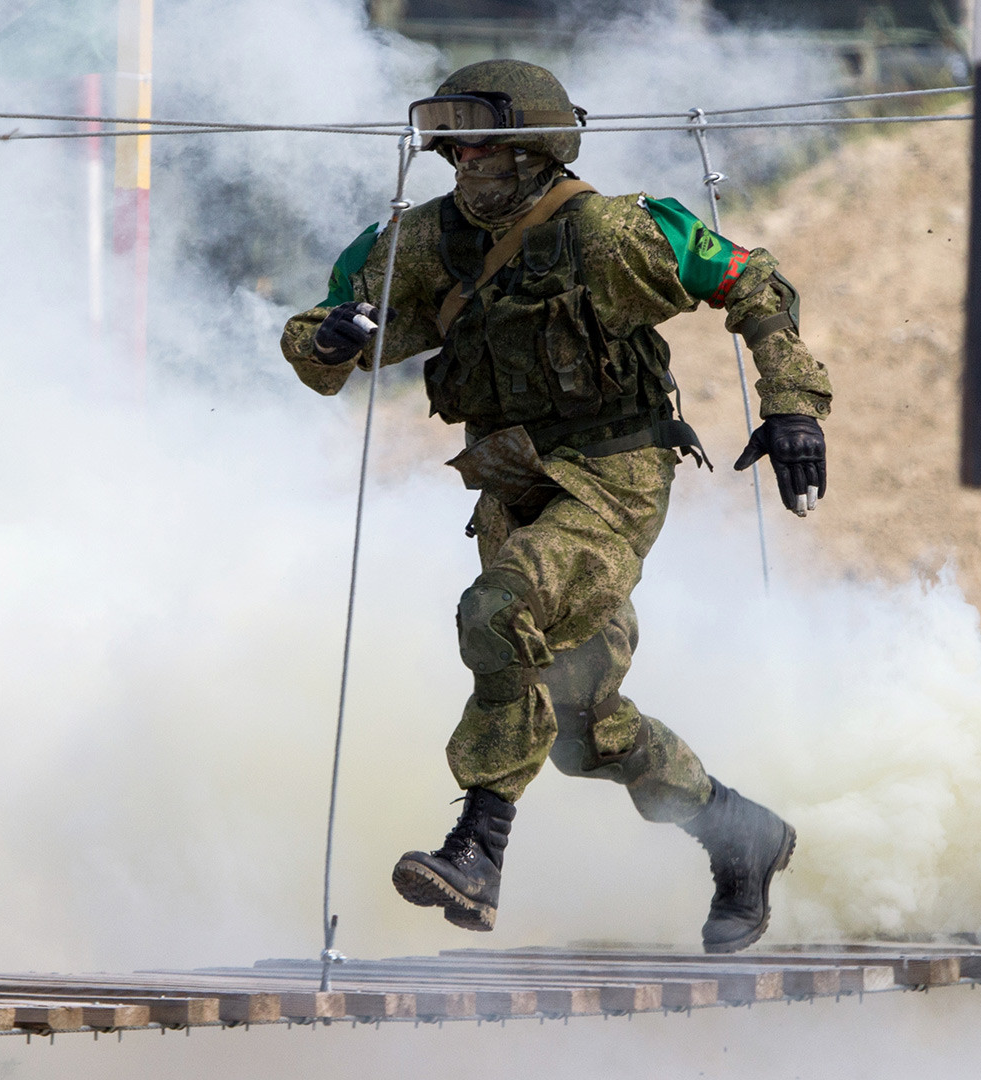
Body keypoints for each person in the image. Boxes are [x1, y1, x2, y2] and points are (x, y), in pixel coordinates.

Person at [279, 59, 832, 954]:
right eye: (451, 143)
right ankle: (742, 835)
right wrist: (332, 339)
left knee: (499, 611)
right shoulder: (421, 244)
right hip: (514, 482)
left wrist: (794, 407)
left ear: (535, 150)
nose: (462, 159)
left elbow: (753, 283)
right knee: (584, 729)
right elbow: (322, 338)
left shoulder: (615, 235)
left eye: (484, 145)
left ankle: (478, 849)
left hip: (616, 475)